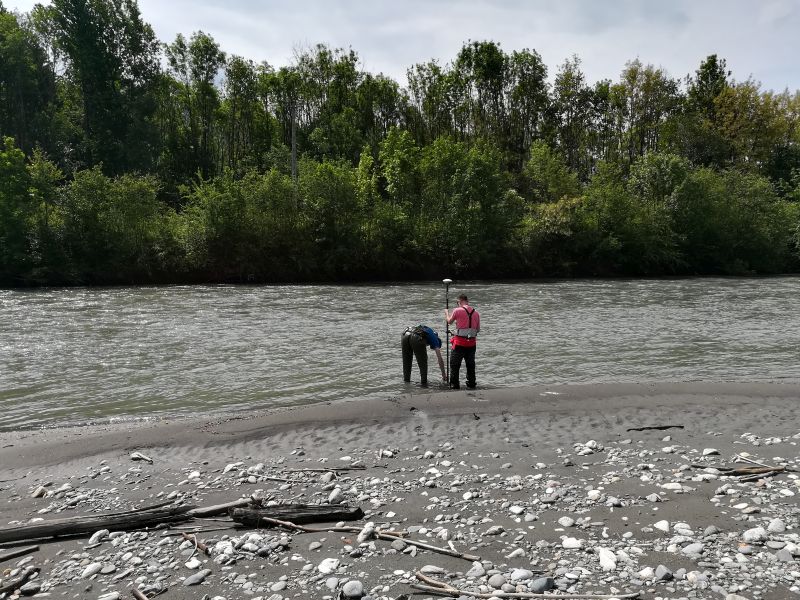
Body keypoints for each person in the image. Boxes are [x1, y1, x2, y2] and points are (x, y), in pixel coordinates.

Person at [444, 294, 480, 389]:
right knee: (470, 364)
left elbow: (449, 321)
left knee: (455, 365)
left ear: (459, 302)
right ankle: (471, 384)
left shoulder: (457, 310)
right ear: (467, 301)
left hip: (459, 344)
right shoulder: (476, 313)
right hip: (471, 343)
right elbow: (477, 329)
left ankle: (455, 385)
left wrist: (446, 313)